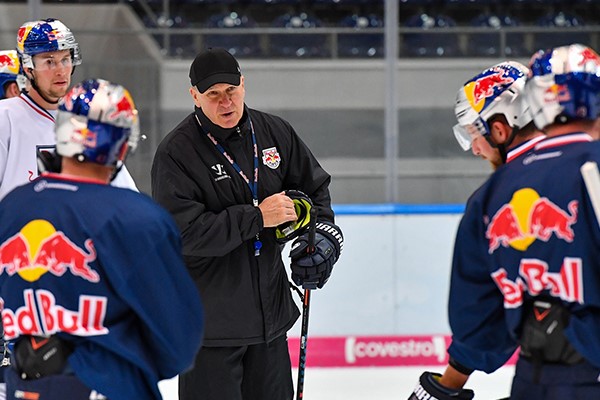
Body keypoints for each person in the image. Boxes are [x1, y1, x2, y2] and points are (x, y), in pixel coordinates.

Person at [151, 48, 344, 400]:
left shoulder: (274, 132)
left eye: (231, 91)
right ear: (194, 95)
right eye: (213, 95)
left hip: (270, 324)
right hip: (210, 333)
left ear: (244, 85)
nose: (225, 102)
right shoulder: (176, 153)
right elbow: (182, 235)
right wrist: (256, 219)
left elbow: (316, 192)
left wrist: (324, 241)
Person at [0, 78, 204, 400]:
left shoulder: (11, 207)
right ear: (121, 145)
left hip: (22, 387)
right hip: (110, 386)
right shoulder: (137, 218)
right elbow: (179, 342)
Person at [408, 60, 547, 399]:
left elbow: (485, 308)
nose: (474, 148)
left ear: (500, 128)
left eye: (473, 132)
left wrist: (447, 384)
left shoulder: (497, 199)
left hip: (565, 370)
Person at [0, 18, 137, 201]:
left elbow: (124, 194)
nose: (61, 71)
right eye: (49, 62)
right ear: (28, 67)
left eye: (65, 59)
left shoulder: (87, 118)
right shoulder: (5, 117)